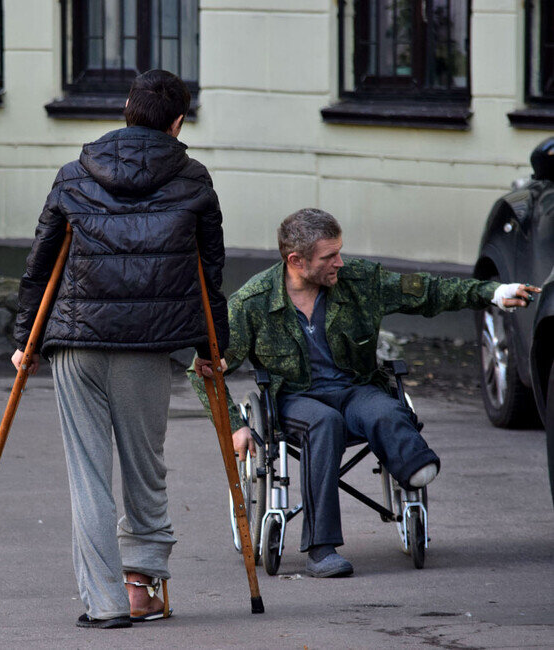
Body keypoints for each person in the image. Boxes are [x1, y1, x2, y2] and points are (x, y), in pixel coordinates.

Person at [190, 208, 539, 577]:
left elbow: (428, 291)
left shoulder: (358, 280)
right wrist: (234, 425)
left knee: (384, 410)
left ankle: (415, 466)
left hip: (354, 387)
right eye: (329, 257)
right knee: (324, 423)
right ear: (296, 260)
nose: (339, 262)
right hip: (296, 399)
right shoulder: (254, 302)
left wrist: (493, 292)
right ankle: (322, 551)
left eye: (339, 252)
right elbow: (203, 371)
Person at [12, 69, 230, 629]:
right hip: (150, 343)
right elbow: (208, 274)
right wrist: (212, 348)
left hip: (75, 339)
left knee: (87, 473)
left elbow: (40, 263)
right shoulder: (194, 179)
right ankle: (143, 586)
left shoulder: (73, 174)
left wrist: (24, 340)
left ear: (126, 112)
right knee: (144, 465)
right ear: (178, 122)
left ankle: (103, 604)